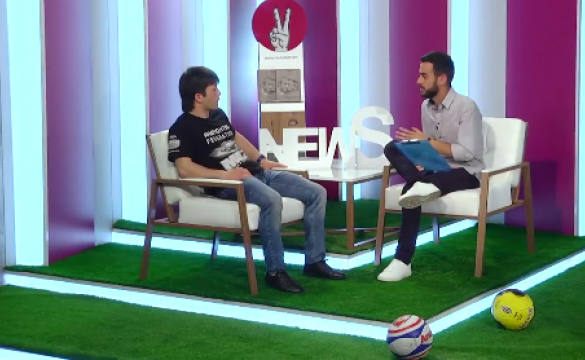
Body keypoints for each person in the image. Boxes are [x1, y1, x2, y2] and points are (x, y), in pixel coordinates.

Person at [167, 66, 345, 293]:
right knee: (271, 199)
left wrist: (261, 159)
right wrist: (226, 175)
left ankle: (314, 261)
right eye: (214, 89)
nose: (219, 93)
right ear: (198, 97)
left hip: (256, 172)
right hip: (228, 184)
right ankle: (275, 272)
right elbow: (184, 168)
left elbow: (235, 137)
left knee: (316, 192)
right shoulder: (181, 128)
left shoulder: (218, 115)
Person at [377, 52, 485, 282]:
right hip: (435, 168)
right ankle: (421, 182)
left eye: (424, 76)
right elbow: (432, 147)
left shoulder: (467, 107)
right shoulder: (426, 107)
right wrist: (420, 156)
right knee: (392, 147)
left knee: (411, 190)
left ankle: (402, 261)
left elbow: (467, 153)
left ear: (442, 78)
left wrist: (427, 142)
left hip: (466, 172)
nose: (418, 81)